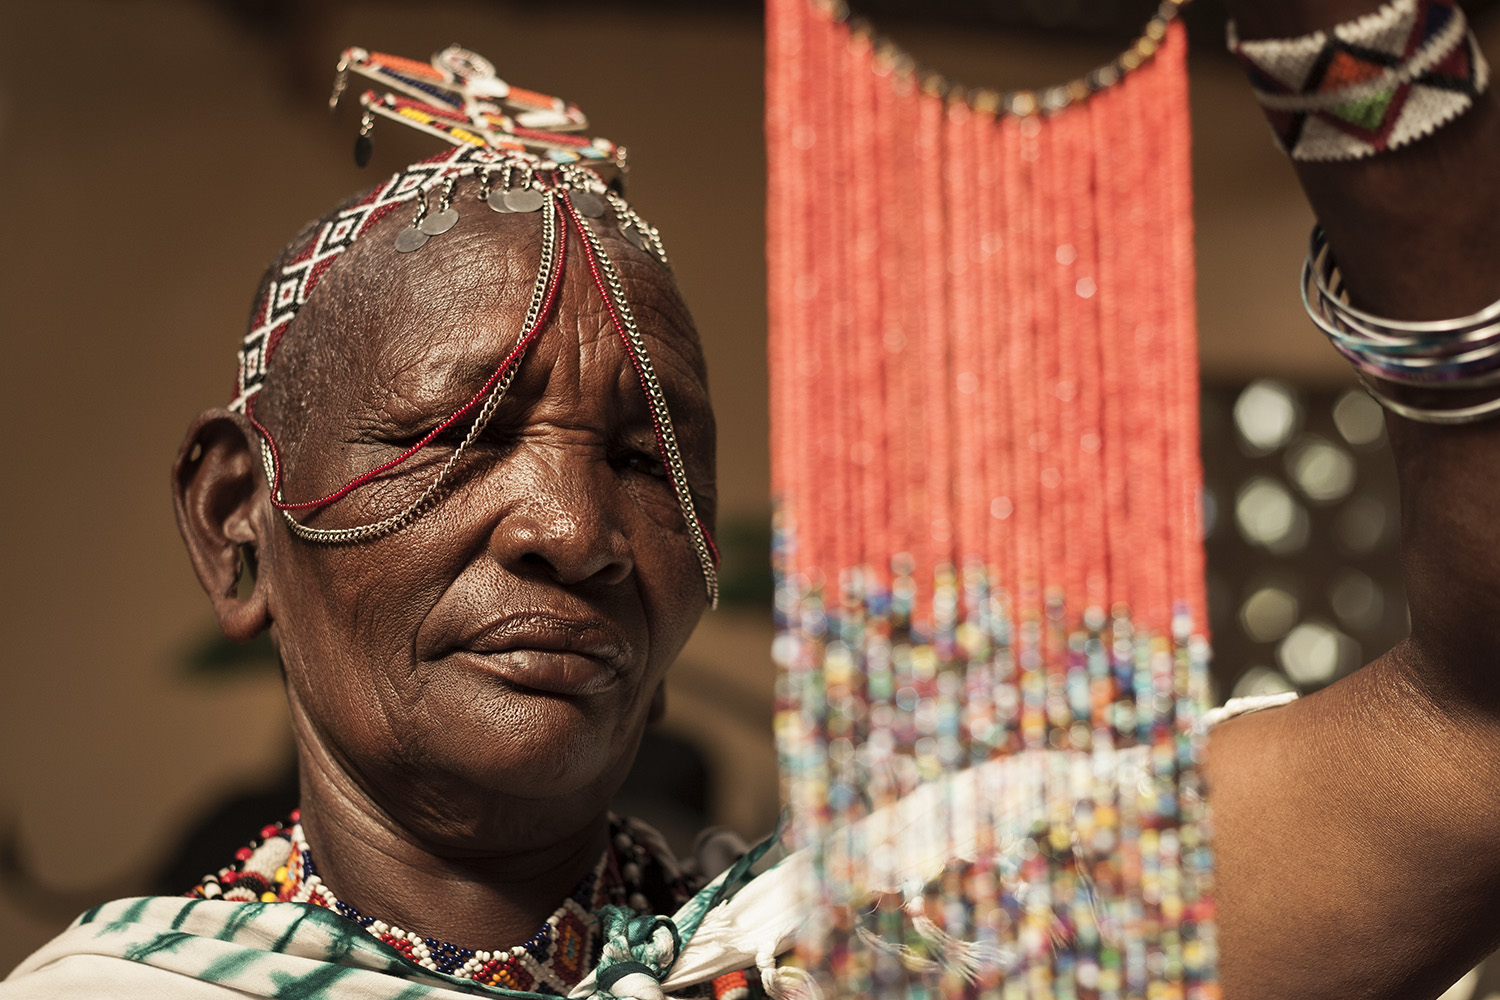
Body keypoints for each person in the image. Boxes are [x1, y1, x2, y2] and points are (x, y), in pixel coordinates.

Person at [5, 0, 1500, 994]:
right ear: (233, 523)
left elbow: (1466, 749)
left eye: (651, 460)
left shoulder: (874, 945)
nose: (577, 534)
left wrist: (1368, 70)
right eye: (460, 436)